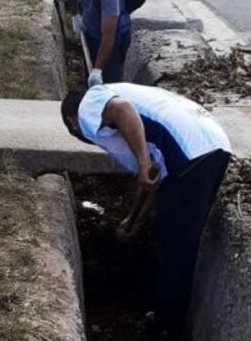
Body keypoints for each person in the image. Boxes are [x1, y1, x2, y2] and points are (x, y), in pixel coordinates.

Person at [61, 83, 232, 340]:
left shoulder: (88, 103)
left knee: (174, 249)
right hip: (212, 146)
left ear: (71, 122)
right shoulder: (125, 102)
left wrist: (141, 163)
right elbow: (152, 177)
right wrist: (133, 220)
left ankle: (165, 330)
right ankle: (166, 318)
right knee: (177, 242)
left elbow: (122, 109)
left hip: (190, 154)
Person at [65, 0, 131, 86]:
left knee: (109, 81)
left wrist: (97, 70)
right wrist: (75, 16)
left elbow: (108, 36)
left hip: (114, 39)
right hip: (91, 27)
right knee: (89, 64)